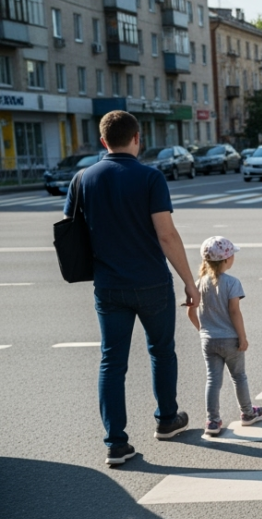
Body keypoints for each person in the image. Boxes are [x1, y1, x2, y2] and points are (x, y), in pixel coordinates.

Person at [70, 110, 198, 466]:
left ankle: (115, 443)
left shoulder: (83, 178)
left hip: (108, 286)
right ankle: (167, 420)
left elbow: (74, 231)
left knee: (112, 362)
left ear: (102, 141)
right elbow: (166, 234)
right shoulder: (150, 177)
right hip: (152, 283)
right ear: (137, 138)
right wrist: (190, 282)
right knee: (161, 351)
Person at [186, 236, 262, 436]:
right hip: (230, 339)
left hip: (208, 340)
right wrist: (243, 337)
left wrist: (203, 330)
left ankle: (212, 421)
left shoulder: (199, 283)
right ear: (225, 260)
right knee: (239, 377)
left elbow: (190, 312)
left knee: (213, 380)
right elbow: (234, 312)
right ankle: (248, 413)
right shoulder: (232, 283)